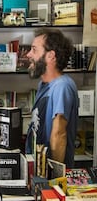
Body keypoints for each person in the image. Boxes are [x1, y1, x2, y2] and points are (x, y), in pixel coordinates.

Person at [25, 28, 78, 167]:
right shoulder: (44, 84)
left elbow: (59, 134)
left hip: (50, 175)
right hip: (38, 169)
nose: (28, 54)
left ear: (51, 56)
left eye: (34, 50)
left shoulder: (62, 86)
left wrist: (55, 179)